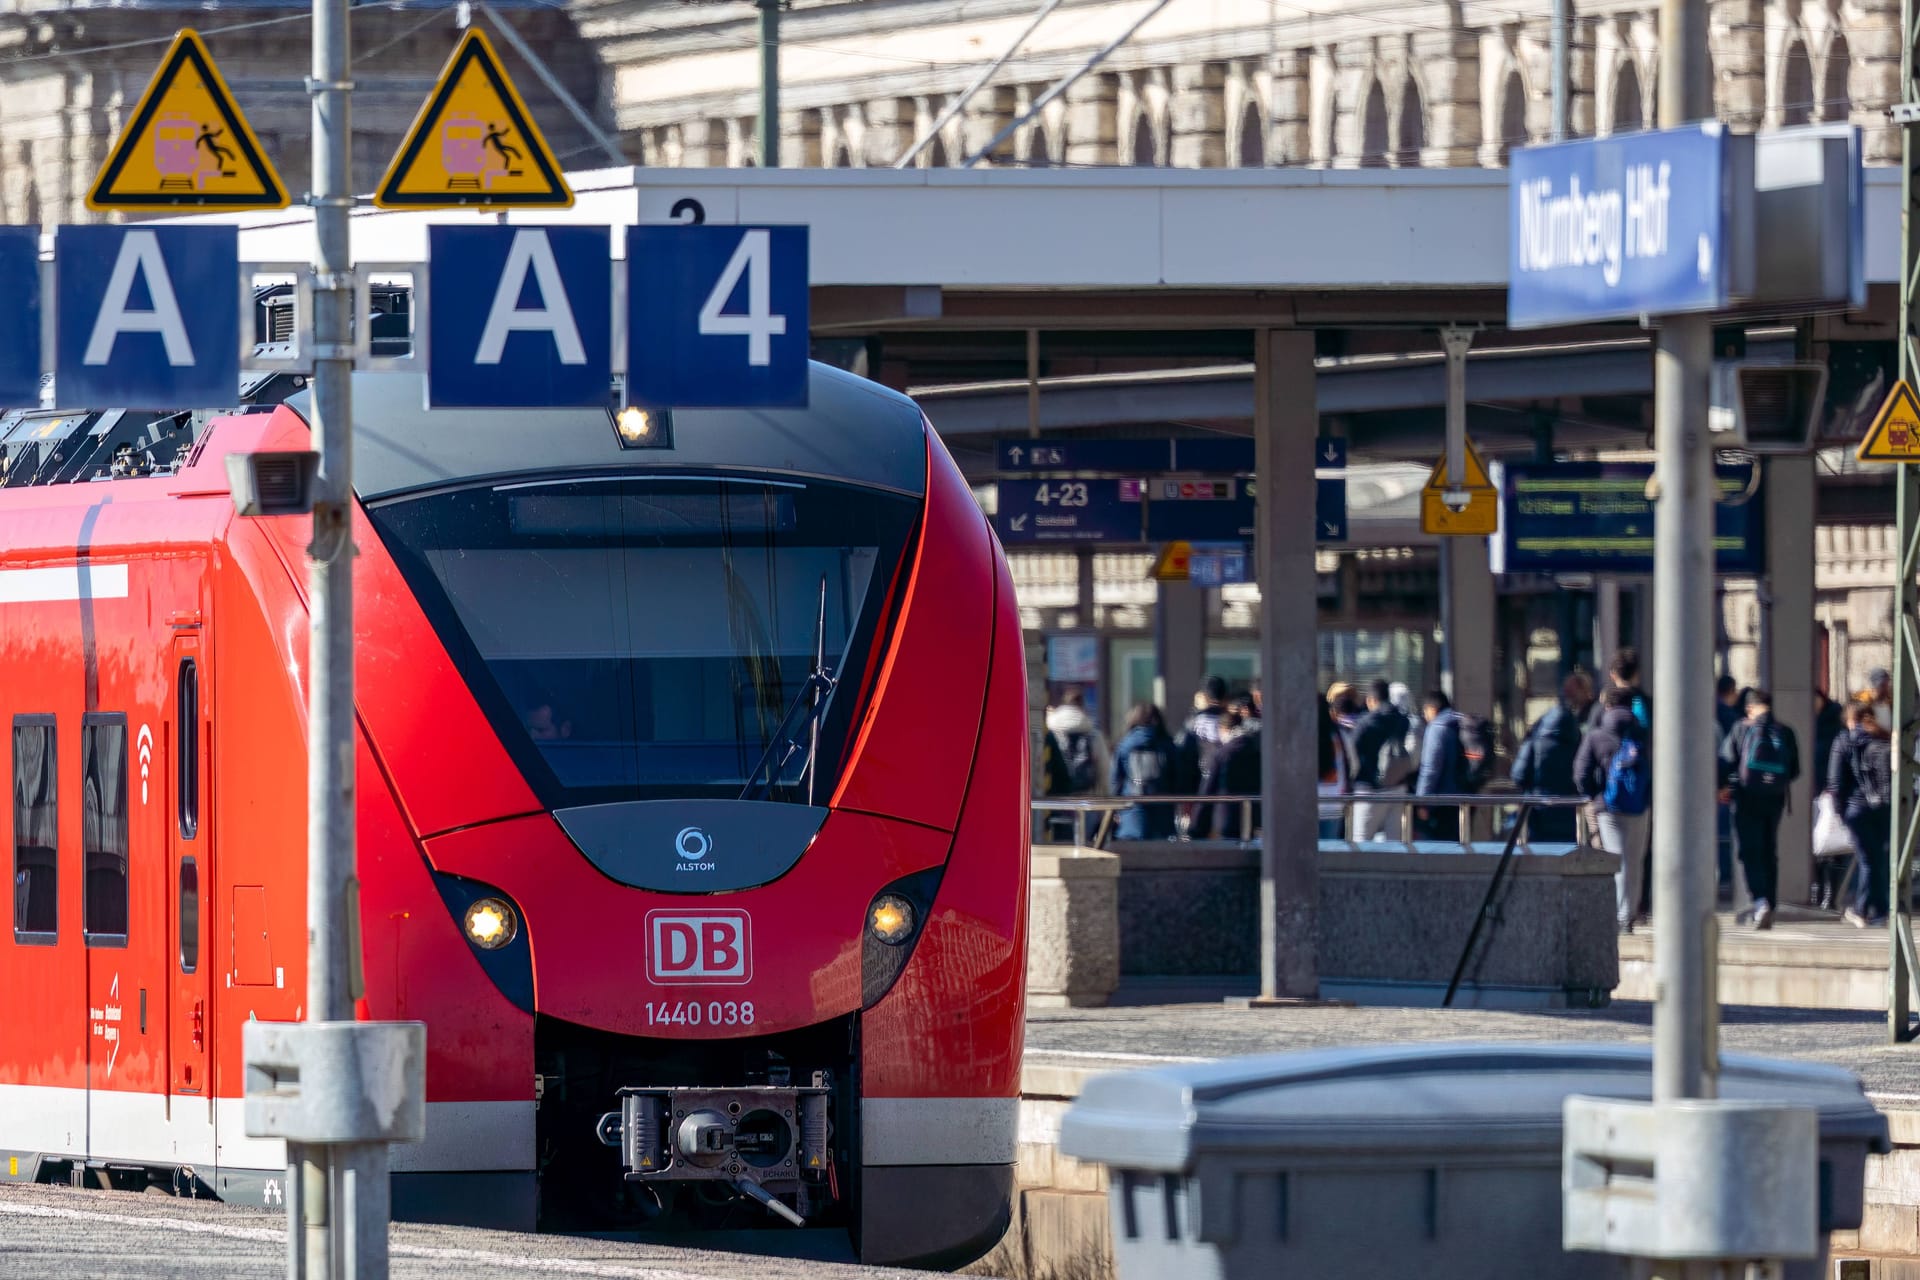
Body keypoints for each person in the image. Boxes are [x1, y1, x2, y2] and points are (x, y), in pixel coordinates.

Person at [1720, 689, 1802, 930]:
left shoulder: (1741, 728)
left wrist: (1724, 786)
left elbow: (1726, 761)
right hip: (1775, 799)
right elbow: (1794, 770)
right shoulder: (1785, 731)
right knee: (1769, 850)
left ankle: (1760, 902)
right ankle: (1771, 905)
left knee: (1749, 851)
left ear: (1750, 708)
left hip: (1746, 798)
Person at [1574, 686, 1652, 932]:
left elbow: (1581, 772)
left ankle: (1620, 916)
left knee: (1616, 859)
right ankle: (1629, 913)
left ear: (1606, 706)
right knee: (1635, 861)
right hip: (1639, 806)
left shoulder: (1596, 736)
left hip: (1608, 807)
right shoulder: (1643, 734)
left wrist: (1594, 795)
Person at [1829, 703, 1893, 928]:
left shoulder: (1843, 741)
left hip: (1855, 809)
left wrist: (1839, 813)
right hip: (1884, 808)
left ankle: (1861, 909)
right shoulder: (1883, 738)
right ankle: (1882, 910)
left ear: (1849, 720)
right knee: (1879, 859)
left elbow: (1835, 783)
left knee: (1867, 860)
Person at [1510, 672, 1589, 843]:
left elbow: (1518, 774)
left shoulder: (1536, 736)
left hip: (1538, 809)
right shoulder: (1578, 737)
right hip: (1569, 811)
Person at [1352, 680, 1414, 841]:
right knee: (1394, 844)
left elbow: (1352, 754)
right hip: (1398, 786)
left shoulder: (1365, 722)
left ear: (1371, 700)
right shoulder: (1403, 720)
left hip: (1369, 789)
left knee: (1361, 842)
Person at [1045, 689, 1109, 842]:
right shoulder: (1093, 734)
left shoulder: (1051, 731)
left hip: (1055, 799)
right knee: (1083, 845)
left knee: (1055, 844)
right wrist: (1106, 802)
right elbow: (1104, 771)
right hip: (1086, 800)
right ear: (1082, 706)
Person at [1110, 703, 1177, 840]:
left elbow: (1116, 780)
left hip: (1132, 811)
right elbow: (1178, 778)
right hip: (1162, 814)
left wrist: (1114, 808)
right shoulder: (1168, 744)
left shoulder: (1125, 745)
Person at [1199, 695, 1263, 839]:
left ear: (1223, 729)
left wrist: (1197, 828)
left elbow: (1208, 790)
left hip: (1225, 818)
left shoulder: (1222, 754)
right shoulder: (1255, 751)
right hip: (1252, 817)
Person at [1414, 690, 1467, 841]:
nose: (1425, 716)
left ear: (1432, 708)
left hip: (1440, 801)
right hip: (1464, 797)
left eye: (1425, 711)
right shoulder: (1460, 723)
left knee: (1436, 848)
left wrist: (1422, 801)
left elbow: (1430, 768)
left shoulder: (1437, 727)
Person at [1715, 675, 1744, 897]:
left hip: (1711, 786)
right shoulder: (1728, 718)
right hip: (1722, 787)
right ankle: (1725, 877)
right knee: (1725, 834)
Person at [1589, 648, 1651, 732]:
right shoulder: (1649, 705)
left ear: (1612, 675)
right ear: (1636, 674)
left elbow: (1591, 737)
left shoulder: (1601, 708)